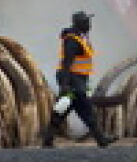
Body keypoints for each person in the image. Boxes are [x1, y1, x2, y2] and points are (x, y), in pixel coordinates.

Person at [42, 10, 115, 147]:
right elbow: (67, 63)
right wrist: (65, 85)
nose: (89, 24)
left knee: (63, 110)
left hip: (78, 79)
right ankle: (101, 139)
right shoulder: (72, 40)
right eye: (86, 21)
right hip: (72, 80)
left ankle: (48, 140)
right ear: (80, 23)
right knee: (85, 109)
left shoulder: (80, 37)